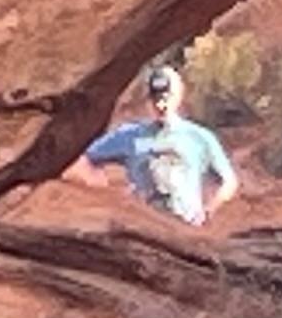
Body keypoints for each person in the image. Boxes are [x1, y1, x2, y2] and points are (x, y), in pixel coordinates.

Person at [81, 63, 239, 225]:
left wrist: (208, 210)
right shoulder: (129, 135)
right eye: (155, 98)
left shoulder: (199, 138)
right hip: (141, 228)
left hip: (185, 227)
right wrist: (100, 190)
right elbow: (83, 157)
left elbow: (229, 182)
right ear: (148, 100)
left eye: (167, 97)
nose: (161, 105)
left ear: (178, 96)